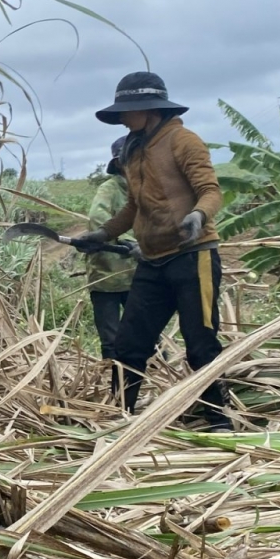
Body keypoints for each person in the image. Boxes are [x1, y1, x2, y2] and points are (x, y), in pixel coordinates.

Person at [75, 72, 232, 431]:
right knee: (129, 344)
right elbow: (134, 207)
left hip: (193, 256)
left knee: (200, 343)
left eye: (127, 111)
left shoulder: (183, 141)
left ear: (149, 109)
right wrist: (104, 233)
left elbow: (210, 191)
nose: (122, 119)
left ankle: (219, 420)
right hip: (152, 261)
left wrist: (197, 216)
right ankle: (121, 418)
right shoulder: (133, 149)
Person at [83, 137, 138, 404]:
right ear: (119, 164)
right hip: (107, 275)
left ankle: (155, 379)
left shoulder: (146, 188)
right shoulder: (110, 189)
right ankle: (117, 394)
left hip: (137, 274)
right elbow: (99, 218)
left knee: (144, 330)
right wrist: (126, 240)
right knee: (111, 337)